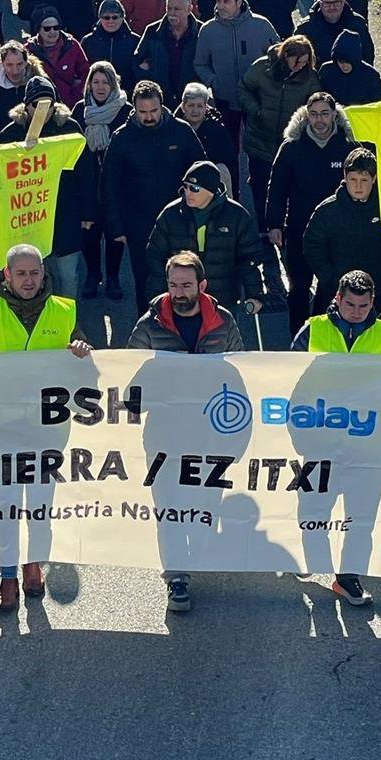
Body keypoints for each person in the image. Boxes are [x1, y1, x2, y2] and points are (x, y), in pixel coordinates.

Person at [0, 243, 92, 612]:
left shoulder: (65, 311)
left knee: (40, 506)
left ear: (43, 273)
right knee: (4, 507)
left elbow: (90, 372)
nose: (29, 280)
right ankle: (7, 576)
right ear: (7, 275)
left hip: (48, 430)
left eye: (34, 273)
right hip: (2, 432)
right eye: (21, 273)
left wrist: (83, 352)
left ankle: (33, 563)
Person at [126, 251, 244, 613]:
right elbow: (128, 384)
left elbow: (242, 374)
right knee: (170, 511)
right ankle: (176, 578)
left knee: (205, 507)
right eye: (173, 284)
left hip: (211, 438)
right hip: (164, 438)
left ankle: (197, 552)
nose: (179, 292)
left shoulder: (224, 323)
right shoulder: (148, 326)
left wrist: (238, 434)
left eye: (186, 285)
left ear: (202, 285)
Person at [289, 268, 381, 606]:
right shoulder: (314, 329)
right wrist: (301, 437)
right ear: (337, 299)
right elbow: (285, 380)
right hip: (319, 442)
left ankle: (348, 578)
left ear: (372, 303)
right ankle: (312, 558)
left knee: (360, 516)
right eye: (350, 305)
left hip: (368, 446)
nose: (356, 312)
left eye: (363, 307)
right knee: (313, 507)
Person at [102, 79, 206, 310]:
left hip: (180, 221)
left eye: (153, 111)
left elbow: (203, 171)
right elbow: (108, 185)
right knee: (146, 282)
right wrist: (115, 228)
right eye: (143, 112)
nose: (148, 117)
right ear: (134, 109)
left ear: (163, 106)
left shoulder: (181, 131)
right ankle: (147, 332)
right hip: (139, 225)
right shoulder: (122, 138)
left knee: (182, 280)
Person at [0, 76, 94, 297]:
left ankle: (67, 326)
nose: (42, 110)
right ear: (25, 106)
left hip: (64, 217)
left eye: (47, 104)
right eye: (36, 104)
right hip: (28, 220)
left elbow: (87, 174)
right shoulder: (10, 134)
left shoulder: (69, 129)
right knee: (34, 279)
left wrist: (88, 212)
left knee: (68, 277)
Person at [265, 90, 356, 334]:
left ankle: (321, 334)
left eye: (324, 114)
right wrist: (274, 223)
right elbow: (277, 185)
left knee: (330, 286)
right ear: (306, 115)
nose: (319, 120)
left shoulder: (348, 146)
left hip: (336, 231)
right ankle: (298, 335)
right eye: (314, 114)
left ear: (334, 115)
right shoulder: (292, 146)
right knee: (298, 288)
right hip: (298, 229)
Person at [146, 161, 263, 316]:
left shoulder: (236, 216)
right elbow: (155, 256)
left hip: (222, 301)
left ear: (211, 191)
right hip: (181, 301)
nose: (188, 193)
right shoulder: (170, 214)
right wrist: (160, 296)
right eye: (185, 187)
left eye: (194, 188)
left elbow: (249, 259)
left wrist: (254, 295)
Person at [238, 36, 322, 241]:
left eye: (304, 62)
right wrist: (255, 111)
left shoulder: (309, 78)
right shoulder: (262, 68)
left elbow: (315, 102)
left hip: (288, 144)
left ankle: (282, 228)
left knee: (287, 185)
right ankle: (262, 229)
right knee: (260, 185)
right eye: (297, 61)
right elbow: (243, 88)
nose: (300, 66)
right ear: (285, 56)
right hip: (259, 140)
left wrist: (301, 125)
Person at [302, 148, 381, 314]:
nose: (358, 186)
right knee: (329, 337)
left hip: (372, 293)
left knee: (370, 338)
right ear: (345, 178)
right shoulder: (328, 210)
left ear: (374, 179)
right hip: (333, 292)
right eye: (353, 179)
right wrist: (329, 277)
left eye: (364, 180)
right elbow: (312, 245)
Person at [192, 0, 279, 149]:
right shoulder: (208, 30)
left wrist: (267, 83)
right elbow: (200, 63)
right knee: (228, 148)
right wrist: (214, 81)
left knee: (259, 148)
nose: (221, 6)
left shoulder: (261, 25)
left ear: (239, 2)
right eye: (218, 1)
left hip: (256, 98)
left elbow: (277, 58)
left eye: (227, 1)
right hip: (224, 100)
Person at [73, 61, 131, 300]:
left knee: (115, 232)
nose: (100, 87)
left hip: (117, 182)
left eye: (105, 82)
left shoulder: (125, 111)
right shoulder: (79, 110)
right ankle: (93, 274)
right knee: (90, 231)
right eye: (95, 82)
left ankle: (113, 277)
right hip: (88, 181)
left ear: (113, 84)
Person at [133, 0, 202, 111]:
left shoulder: (202, 33)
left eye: (177, 9)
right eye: (169, 8)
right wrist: (148, 75)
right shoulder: (153, 31)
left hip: (192, 101)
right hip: (160, 100)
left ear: (189, 9)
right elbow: (136, 61)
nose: (172, 13)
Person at [25, 10, 91, 109]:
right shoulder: (28, 50)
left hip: (70, 105)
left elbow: (86, 73)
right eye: (47, 29)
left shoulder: (72, 45)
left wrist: (76, 94)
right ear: (38, 29)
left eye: (56, 28)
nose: (52, 32)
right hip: (40, 106)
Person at [300, 0, 376, 68]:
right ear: (320, 4)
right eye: (327, 3)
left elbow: (367, 55)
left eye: (336, 2)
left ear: (343, 2)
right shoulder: (305, 28)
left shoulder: (357, 23)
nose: (332, 7)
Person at [80, 0, 140, 92]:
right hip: (96, 93)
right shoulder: (88, 41)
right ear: (100, 18)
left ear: (123, 17)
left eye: (115, 17)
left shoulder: (135, 41)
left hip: (126, 92)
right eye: (106, 17)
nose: (111, 21)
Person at [319, 28, 381, 105]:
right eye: (341, 61)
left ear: (356, 60)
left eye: (349, 61)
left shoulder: (370, 75)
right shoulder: (326, 71)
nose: (344, 66)